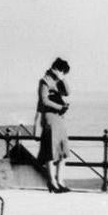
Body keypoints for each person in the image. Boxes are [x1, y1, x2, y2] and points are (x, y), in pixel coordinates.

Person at [35, 57, 72, 193]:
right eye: (62, 72)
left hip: (59, 117)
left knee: (62, 149)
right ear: (57, 68)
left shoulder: (58, 81)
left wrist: (62, 79)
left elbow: (67, 92)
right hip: (50, 117)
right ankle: (52, 181)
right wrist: (58, 107)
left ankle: (60, 180)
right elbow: (44, 100)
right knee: (50, 150)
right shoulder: (44, 81)